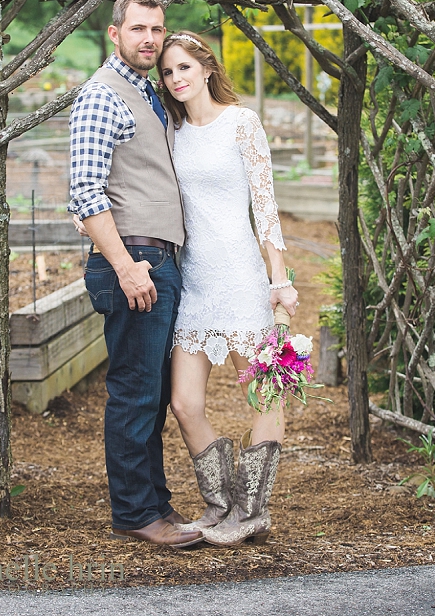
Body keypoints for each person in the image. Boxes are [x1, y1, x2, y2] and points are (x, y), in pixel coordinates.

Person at [68, 0, 202, 549]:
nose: (150, 38)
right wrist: (126, 266)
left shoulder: (148, 92)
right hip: (134, 262)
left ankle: (155, 503)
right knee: (133, 390)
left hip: (158, 262)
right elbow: (84, 191)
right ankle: (134, 513)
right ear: (114, 33)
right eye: (139, 29)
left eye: (158, 29)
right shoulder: (102, 95)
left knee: (152, 391)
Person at [157, 31, 298, 547]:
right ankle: (221, 504)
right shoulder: (171, 131)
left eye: (184, 68)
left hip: (240, 278)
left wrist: (278, 279)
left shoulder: (242, 123)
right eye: (168, 72)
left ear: (206, 68)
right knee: (185, 401)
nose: (176, 79)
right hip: (194, 282)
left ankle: (253, 511)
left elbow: (265, 206)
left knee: (261, 393)